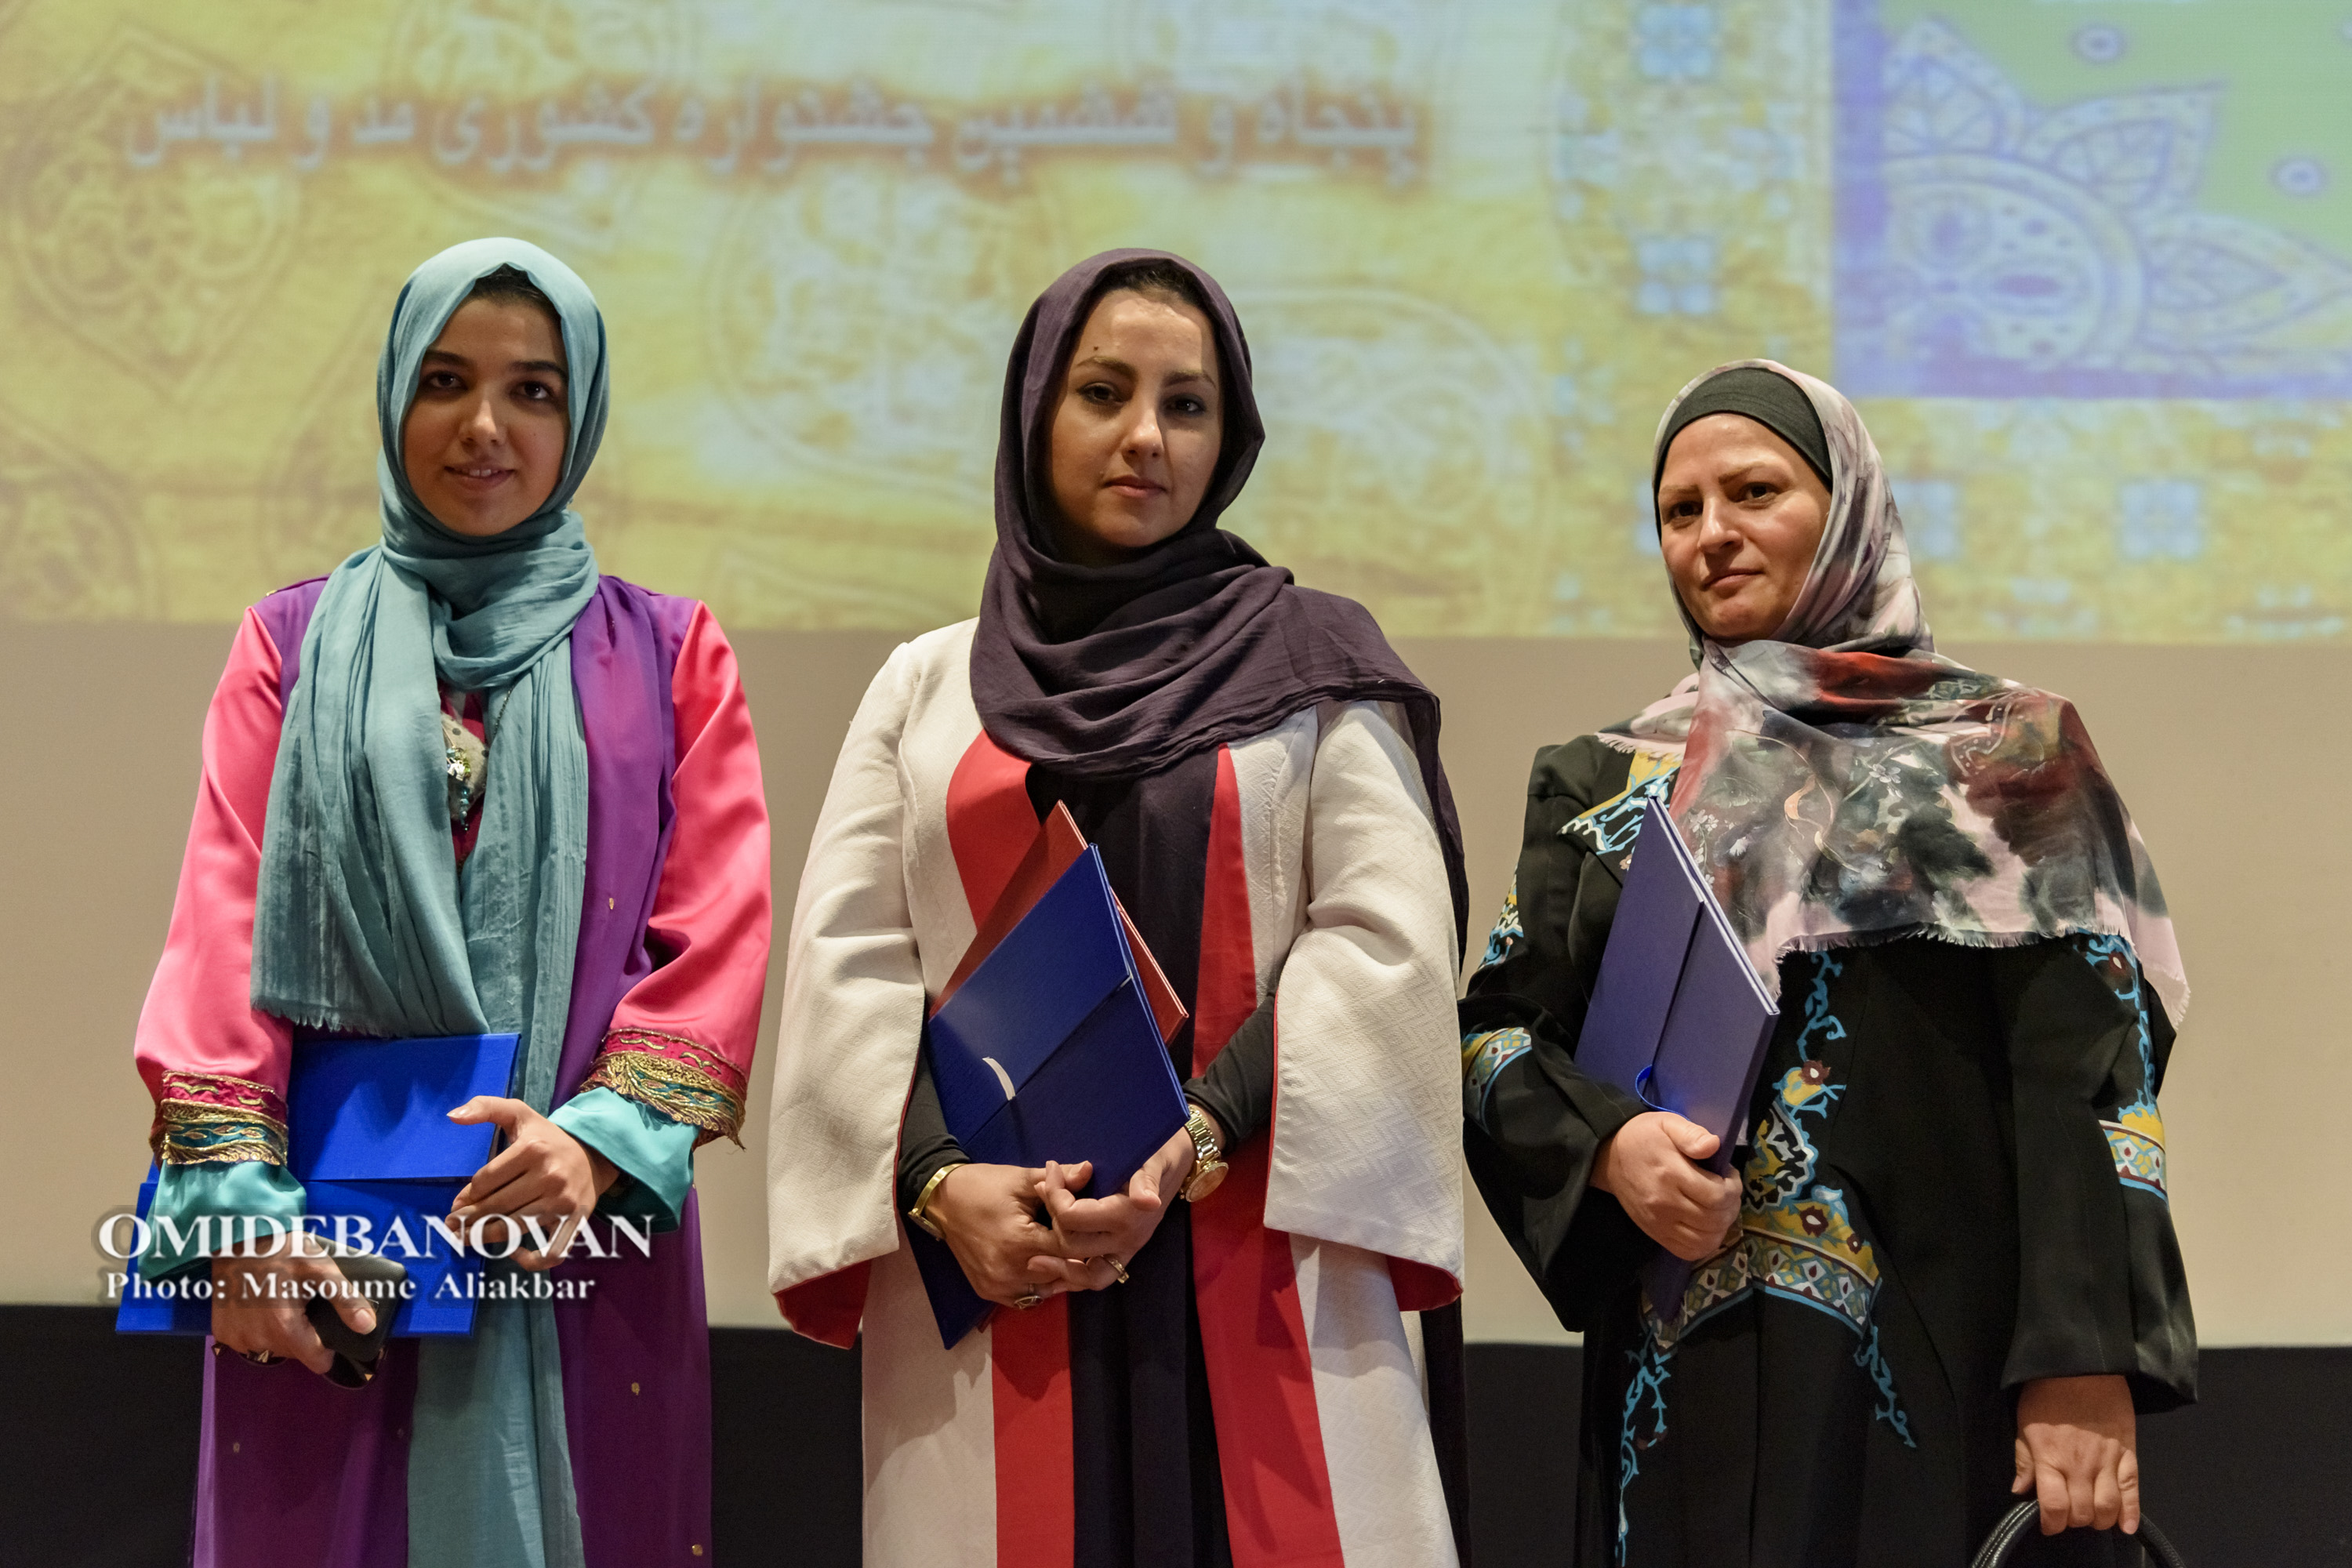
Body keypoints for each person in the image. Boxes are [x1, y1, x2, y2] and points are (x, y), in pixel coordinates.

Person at [766, 249, 1472, 1566]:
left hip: (1258, 1239)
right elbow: (850, 966)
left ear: (1231, 436)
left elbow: (1387, 943)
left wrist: (1195, 1141)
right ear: (1036, 413)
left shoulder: (1320, 667)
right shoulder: (925, 687)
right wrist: (936, 1183)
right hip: (997, 1265)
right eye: (1103, 393)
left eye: (1186, 404)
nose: (1146, 436)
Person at [1459, 361, 2195, 1566]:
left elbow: (2091, 1076)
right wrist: (1607, 1150)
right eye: (1680, 510)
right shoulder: (1603, 779)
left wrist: (2085, 1359)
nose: (1712, 532)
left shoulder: (2009, 755)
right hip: (1682, 1378)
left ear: (1849, 505)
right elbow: (1494, 1036)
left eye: (1755, 491)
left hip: (1942, 1360)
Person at [132, 237, 771, 1566]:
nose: (485, 426)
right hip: (324, 1243)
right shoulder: (289, 645)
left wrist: (597, 1143)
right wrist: (238, 1220)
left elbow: (712, 935)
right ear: (391, 398)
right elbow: (221, 933)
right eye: (444, 381)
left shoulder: (673, 655)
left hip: (577, 1231)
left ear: (580, 416)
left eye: (533, 390)